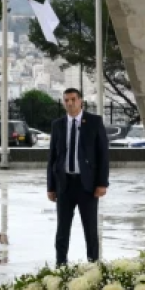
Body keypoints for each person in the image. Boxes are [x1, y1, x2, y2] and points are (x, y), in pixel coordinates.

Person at [47, 88, 109, 265]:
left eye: (73, 99)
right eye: (66, 100)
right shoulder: (58, 125)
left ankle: (94, 264)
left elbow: (103, 155)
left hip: (87, 185)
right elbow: (52, 157)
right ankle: (60, 264)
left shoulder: (94, 122)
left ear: (81, 101)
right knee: (62, 229)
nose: (69, 103)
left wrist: (102, 183)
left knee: (90, 228)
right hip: (64, 184)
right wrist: (51, 187)